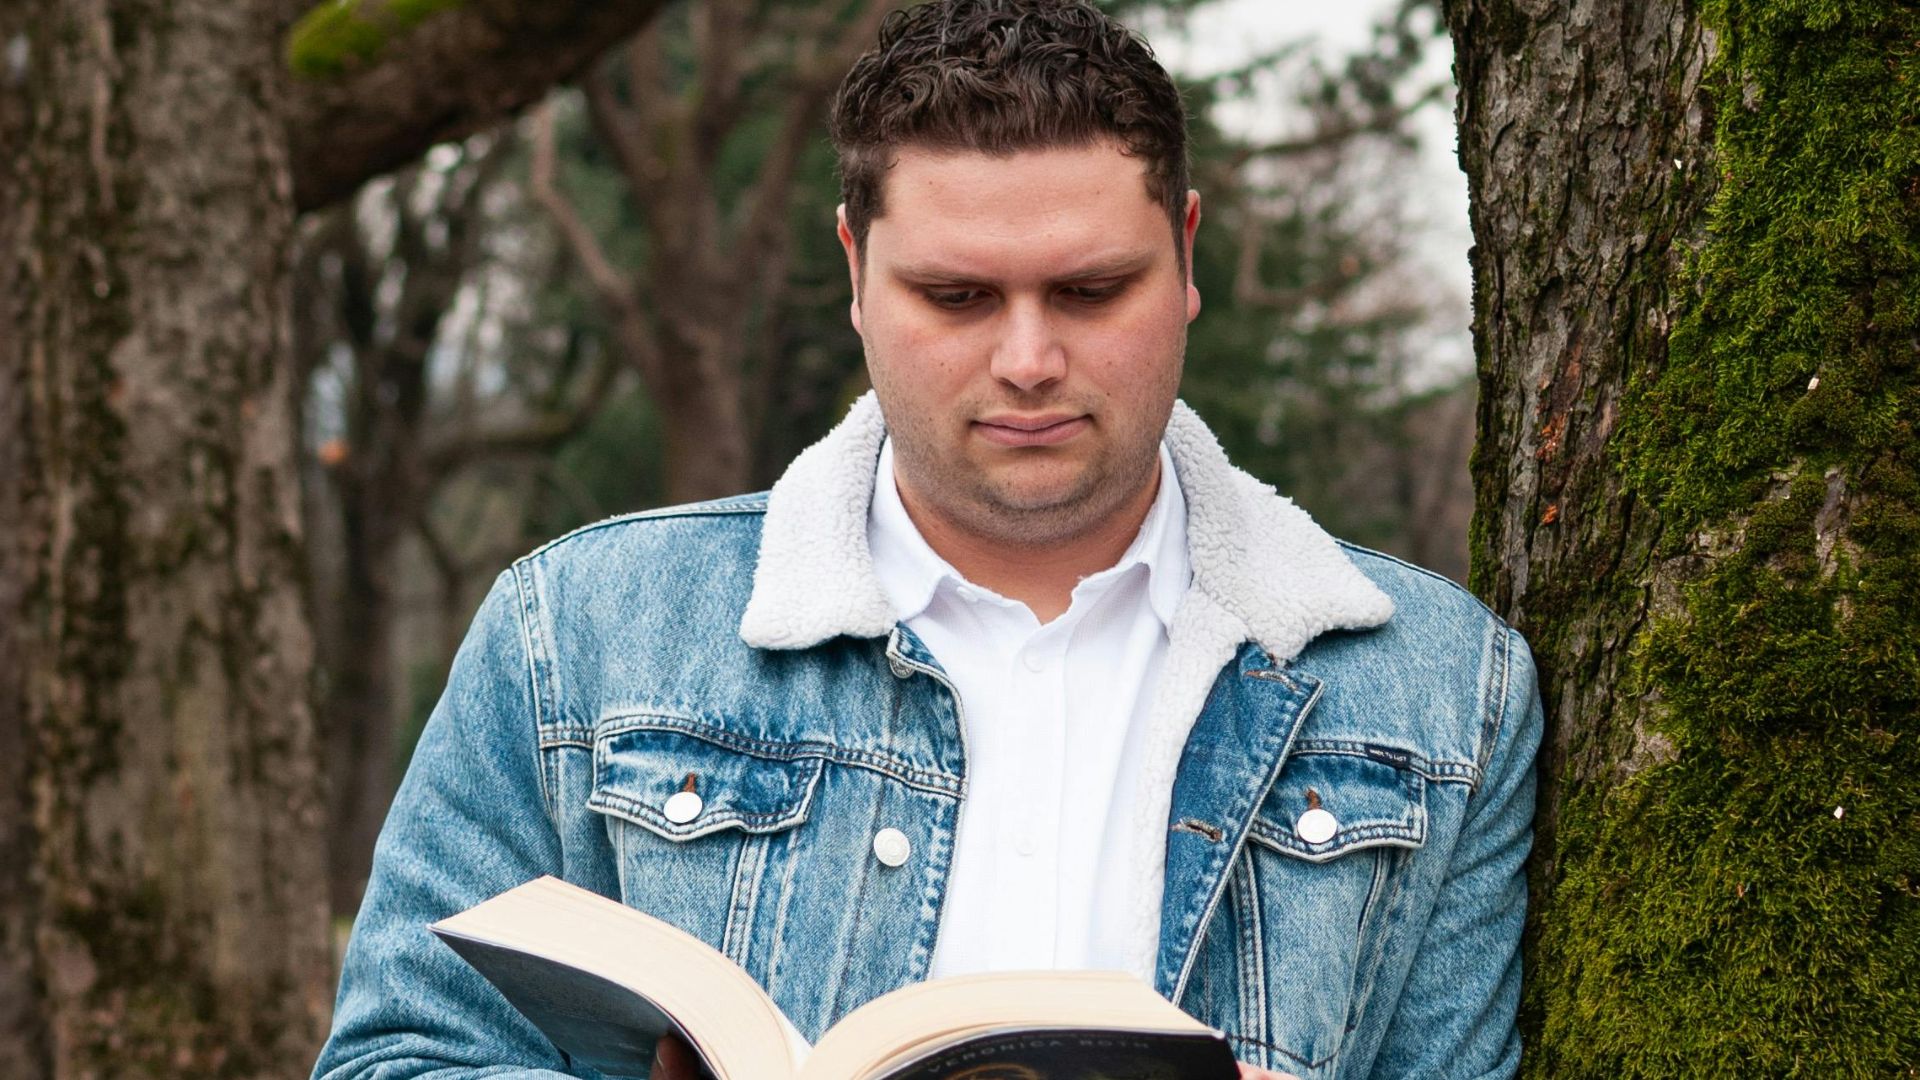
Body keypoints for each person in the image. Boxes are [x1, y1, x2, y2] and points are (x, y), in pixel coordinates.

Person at [312, 2, 1542, 1078]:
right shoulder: (578, 631)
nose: (1027, 363)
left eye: (1090, 291)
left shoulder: (1443, 691)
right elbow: (399, 1053)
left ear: (1186, 256)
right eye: (955, 298)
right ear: (855, 272)